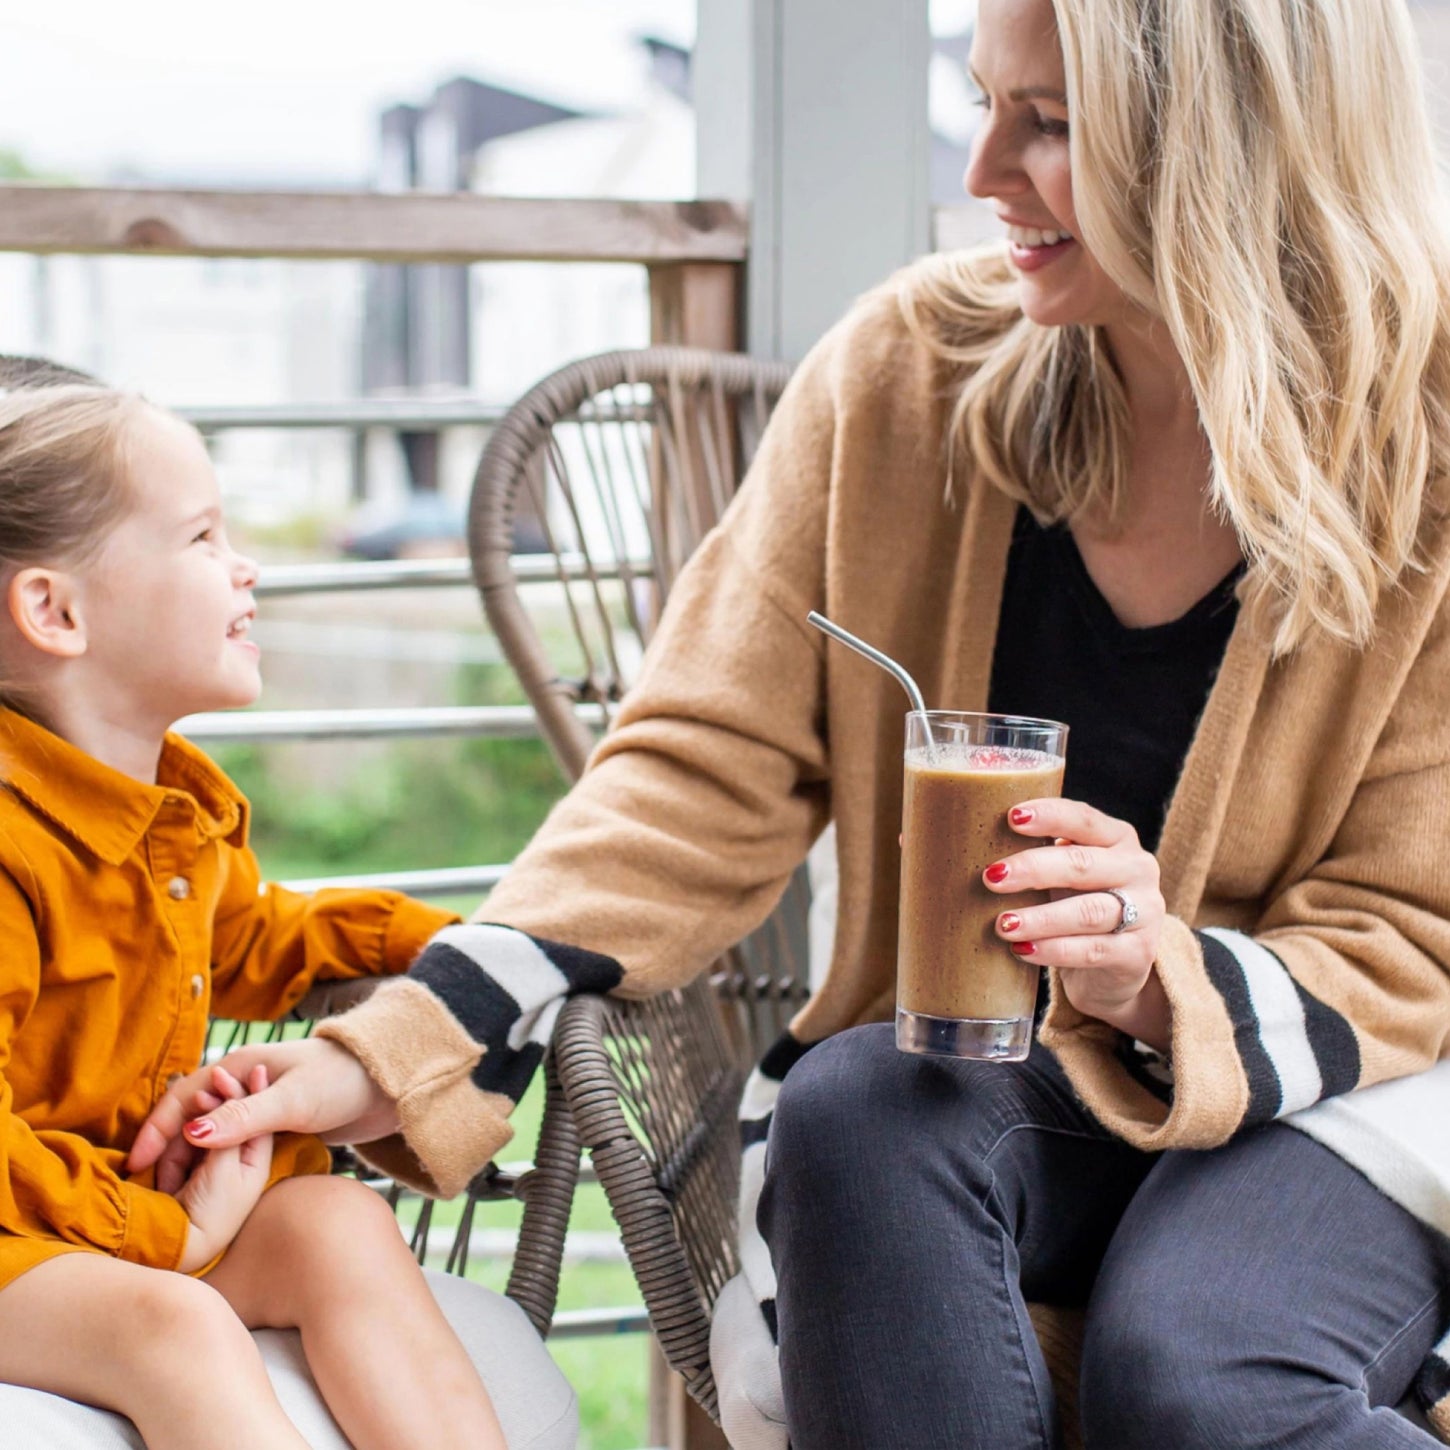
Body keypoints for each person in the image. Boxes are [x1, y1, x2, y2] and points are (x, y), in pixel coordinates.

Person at [133, 0, 1450, 1444]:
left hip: (1348, 1098)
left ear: (1229, 143)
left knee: (1189, 1365)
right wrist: (398, 1047)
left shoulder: (1427, 439)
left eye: (1050, 124)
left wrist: (1161, 981)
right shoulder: (910, 375)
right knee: (857, 1104)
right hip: (1025, 1091)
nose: (982, 172)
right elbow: (698, 769)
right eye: (980, 104)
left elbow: (1411, 927)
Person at [0, 374, 509, 1450]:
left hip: (98, 1217)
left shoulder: (166, 823)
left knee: (337, 1219)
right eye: (200, 536)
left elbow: (258, 936)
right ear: (56, 611)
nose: (247, 566)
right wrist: (172, 1234)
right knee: (171, 1326)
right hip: (20, 1228)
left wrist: (475, 953)